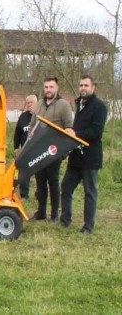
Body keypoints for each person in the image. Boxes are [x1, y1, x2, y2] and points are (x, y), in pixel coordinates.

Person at [61, 75, 107, 234]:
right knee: (66, 187)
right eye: (81, 85)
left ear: (93, 88)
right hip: (76, 156)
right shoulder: (79, 104)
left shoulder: (99, 107)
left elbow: (96, 130)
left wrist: (76, 134)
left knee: (90, 193)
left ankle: (88, 227)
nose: (83, 88)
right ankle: (65, 220)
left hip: (91, 157)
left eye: (86, 85)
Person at [30, 77, 74, 222]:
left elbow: (69, 129)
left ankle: (54, 214)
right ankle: (41, 212)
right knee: (40, 182)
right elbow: (32, 125)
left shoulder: (63, 105)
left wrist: (63, 153)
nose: (48, 90)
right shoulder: (39, 104)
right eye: (46, 87)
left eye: (51, 87)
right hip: (38, 151)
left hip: (54, 152)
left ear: (57, 88)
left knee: (53, 182)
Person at [13, 94, 37, 199]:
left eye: (31, 103)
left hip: (37, 149)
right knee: (23, 171)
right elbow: (17, 133)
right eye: (27, 103)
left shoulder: (40, 116)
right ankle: (24, 194)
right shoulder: (23, 116)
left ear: (36, 103)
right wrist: (16, 147)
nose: (29, 105)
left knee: (39, 173)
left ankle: (39, 194)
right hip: (25, 149)